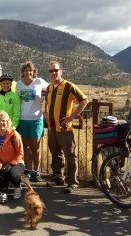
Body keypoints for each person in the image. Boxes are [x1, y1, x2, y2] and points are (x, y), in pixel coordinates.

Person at [44, 61, 88, 194]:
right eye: (51, 71)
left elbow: (84, 101)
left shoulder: (68, 86)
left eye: (55, 70)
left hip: (64, 128)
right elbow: (46, 103)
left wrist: (72, 116)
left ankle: (72, 182)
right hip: (52, 128)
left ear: (61, 71)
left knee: (70, 155)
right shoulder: (49, 88)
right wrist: (46, 114)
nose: (53, 73)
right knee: (56, 154)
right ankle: (57, 177)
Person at [0, 111, 25, 203]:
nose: (1, 123)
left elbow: (20, 153)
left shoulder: (14, 134)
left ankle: (17, 186)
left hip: (16, 163)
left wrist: (11, 164)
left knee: (13, 174)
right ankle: (4, 180)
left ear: (8, 122)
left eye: (3, 121)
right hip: (1, 164)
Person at [16, 61, 44, 182]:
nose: (28, 72)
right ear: (23, 72)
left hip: (36, 119)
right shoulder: (18, 85)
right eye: (26, 70)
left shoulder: (39, 82)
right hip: (22, 120)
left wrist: (46, 104)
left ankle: (36, 171)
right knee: (25, 147)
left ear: (34, 71)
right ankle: (27, 170)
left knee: (35, 147)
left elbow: (52, 89)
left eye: (30, 70)